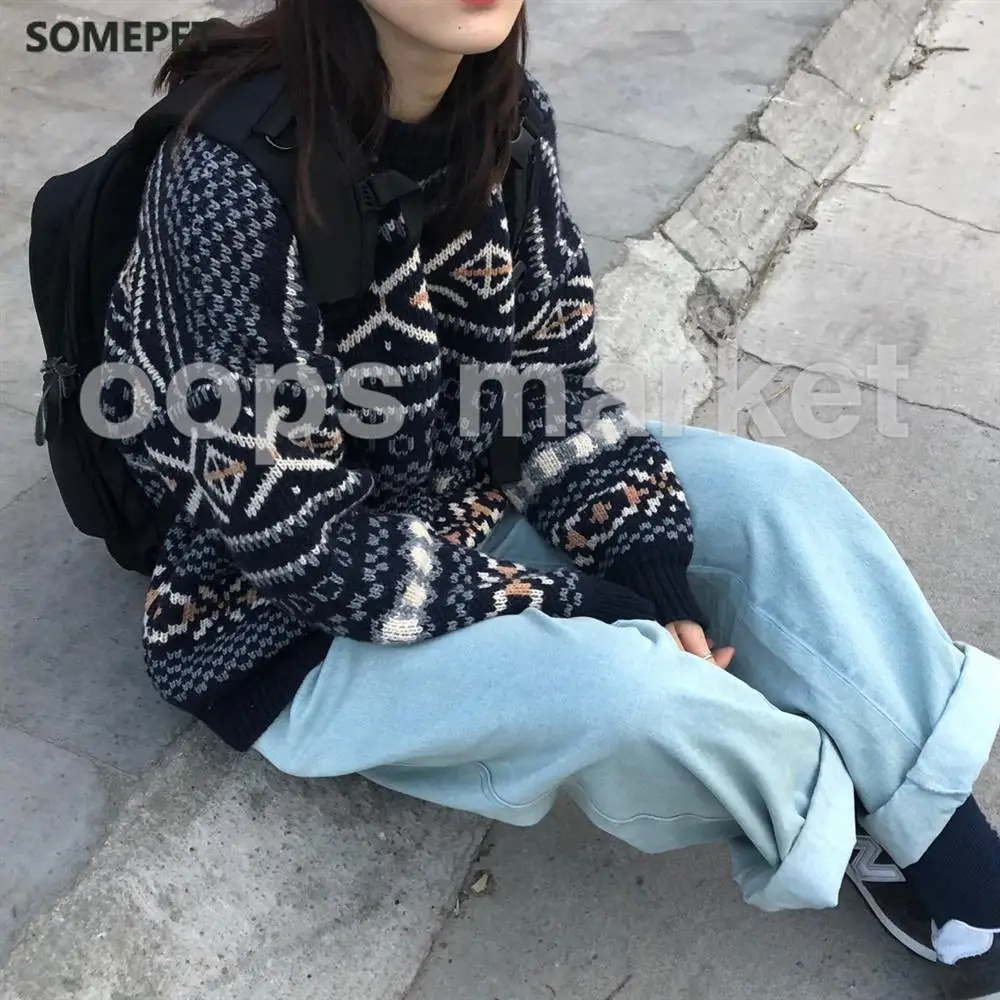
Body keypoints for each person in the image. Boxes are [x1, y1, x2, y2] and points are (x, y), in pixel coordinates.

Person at [101, 0, 1000, 995]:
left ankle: (939, 832)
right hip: (277, 613)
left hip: (465, 494)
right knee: (627, 690)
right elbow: (290, 541)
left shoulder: (509, 116)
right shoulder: (225, 179)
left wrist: (648, 565)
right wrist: (582, 602)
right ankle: (849, 807)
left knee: (775, 498)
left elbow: (548, 388)